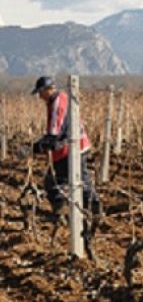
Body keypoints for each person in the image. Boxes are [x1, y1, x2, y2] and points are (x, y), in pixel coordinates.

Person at [25, 76, 99, 222]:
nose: (40, 96)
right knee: (61, 181)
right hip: (70, 147)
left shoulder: (58, 103)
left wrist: (33, 149)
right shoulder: (57, 100)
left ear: (49, 89)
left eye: (40, 92)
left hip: (73, 148)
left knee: (73, 181)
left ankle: (92, 211)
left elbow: (54, 135)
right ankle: (64, 212)